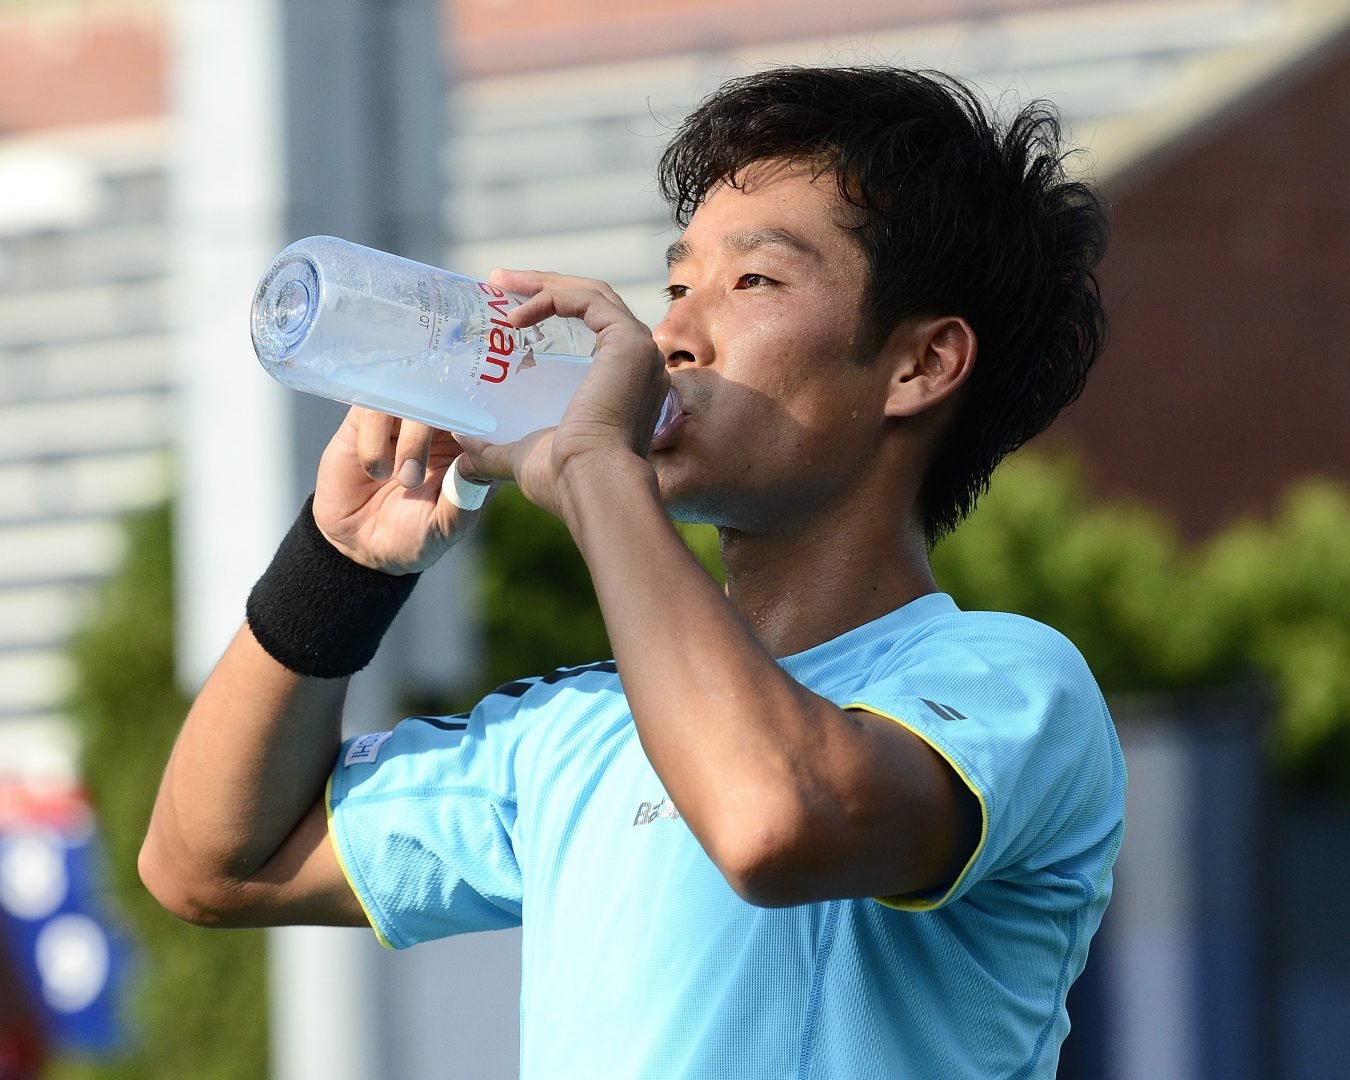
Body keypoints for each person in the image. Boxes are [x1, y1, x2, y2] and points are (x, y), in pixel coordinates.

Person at [140, 65, 1125, 1077]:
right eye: (675, 285)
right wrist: (340, 565)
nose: (673, 337)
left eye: (754, 281)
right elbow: (210, 864)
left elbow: (771, 821)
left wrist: (597, 471)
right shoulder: (576, 732)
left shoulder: (1007, 680)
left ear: (921, 365)